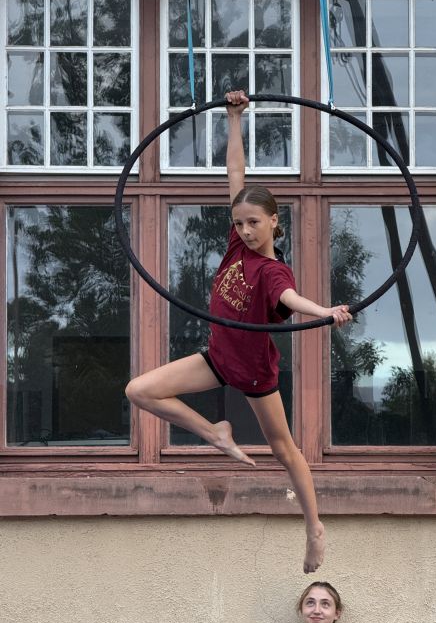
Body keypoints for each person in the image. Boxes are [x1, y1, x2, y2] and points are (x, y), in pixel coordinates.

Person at [125, 91, 352, 573]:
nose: (246, 231)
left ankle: (314, 529)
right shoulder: (236, 245)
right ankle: (217, 433)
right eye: (240, 223)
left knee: (284, 449)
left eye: (254, 223)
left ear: (273, 221)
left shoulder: (272, 271)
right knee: (139, 390)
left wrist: (325, 311)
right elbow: (235, 175)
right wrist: (233, 120)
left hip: (252, 371)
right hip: (217, 356)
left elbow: (291, 300)